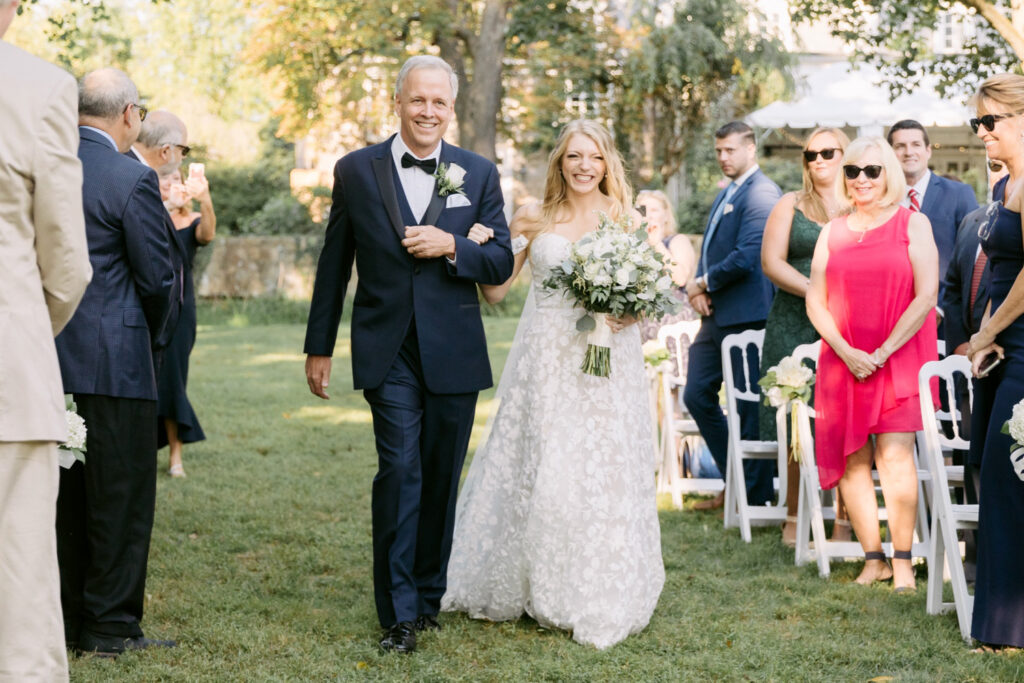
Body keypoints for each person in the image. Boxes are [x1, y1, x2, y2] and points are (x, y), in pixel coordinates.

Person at [303, 55, 514, 654]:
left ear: (451, 108)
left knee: (441, 476)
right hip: (386, 347)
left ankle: (426, 596)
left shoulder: (478, 172)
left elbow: (500, 261)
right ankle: (397, 612)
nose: (428, 111)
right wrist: (319, 346)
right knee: (400, 471)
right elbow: (333, 264)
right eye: (417, 100)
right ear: (397, 102)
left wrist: (453, 245)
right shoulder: (355, 170)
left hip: (453, 348)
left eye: (439, 103)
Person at [441, 119, 664, 650]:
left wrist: (627, 314)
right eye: (573, 157)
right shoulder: (532, 215)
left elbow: (646, 300)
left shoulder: (624, 219)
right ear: (559, 164)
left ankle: (592, 588)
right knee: (545, 462)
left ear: (608, 163)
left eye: (594, 157)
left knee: (601, 465)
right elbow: (496, 292)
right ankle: (530, 580)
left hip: (605, 358)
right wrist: (473, 246)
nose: (585, 167)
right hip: (545, 359)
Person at [54, 67, 178, 656]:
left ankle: (66, 619)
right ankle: (110, 630)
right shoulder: (132, 179)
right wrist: (149, 340)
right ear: (129, 113)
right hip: (119, 364)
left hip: (48, 362)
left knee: (64, 503)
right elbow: (158, 279)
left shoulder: (43, 168)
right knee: (122, 500)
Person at [0, 1, 92, 677]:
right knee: (19, 602)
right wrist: (27, 330)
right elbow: (66, 264)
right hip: (7, 372)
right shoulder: (39, 88)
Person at [806, 136, 938, 592]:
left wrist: (881, 354)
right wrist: (847, 351)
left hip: (897, 360)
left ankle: (903, 562)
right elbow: (814, 300)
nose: (861, 179)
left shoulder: (913, 224)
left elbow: (926, 296)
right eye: (853, 171)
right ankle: (873, 558)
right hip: (844, 360)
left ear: (890, 174)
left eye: (872, 170)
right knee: (852, 462)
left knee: (895, 456)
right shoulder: (832, 231)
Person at [683, 121, 782, 510]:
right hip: (717, 315)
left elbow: (748, 255)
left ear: (750, 149)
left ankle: (753, 496)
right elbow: (711, 248)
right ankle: (735, 480)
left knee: (747, 406)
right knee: (696, 394)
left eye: (731, 150)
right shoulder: (731, 191)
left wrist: (703, 283)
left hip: (747, 316)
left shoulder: (761, 193)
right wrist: (699, 286)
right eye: (719, 151)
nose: (723, 157)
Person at [759, 127, 850, 547]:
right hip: (793, 322)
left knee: (844, 420)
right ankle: (795, 515)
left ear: (845, 156)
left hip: (848, 324)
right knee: (798, 419)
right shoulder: (789, 204)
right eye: (811, 154)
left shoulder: (861, 205)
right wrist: (815, 293)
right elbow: (772, 262)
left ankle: (844, 521)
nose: (818, 160)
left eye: (828, 152)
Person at [964, 73, 1024, 650]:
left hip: (1021, 343)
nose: (982, 132)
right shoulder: (1008, 185)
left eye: (990, 121)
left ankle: (1007, 629)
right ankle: (1005, 625)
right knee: (998, 477)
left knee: (1010, 478)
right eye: (976, 122)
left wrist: (989, 330)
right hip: (1007, 346)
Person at [157, 168, 216, 477]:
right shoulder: (149, 212)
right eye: (165, 179)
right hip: (146, 306)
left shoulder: (191, 219)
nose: (171, 183)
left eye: (177, 179)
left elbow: (207, 235)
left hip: (180, 308)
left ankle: (175, 456)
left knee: (173, 378)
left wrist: (205, 199)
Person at [887, 119, 977, 310]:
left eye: (916, 145)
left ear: (928, 150)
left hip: (944, 314)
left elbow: (971, 259)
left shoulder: (959, 194)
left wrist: (941, 308)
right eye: (900, 146)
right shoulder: (881, 199)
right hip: (891, 311)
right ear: (889, 154)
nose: (909, 152)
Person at [636, 189, 698, 344]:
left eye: (654, 210)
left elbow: (680, 279)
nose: (648, 215)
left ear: (665, 215)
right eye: (643, 210)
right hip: (642, 328)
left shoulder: (676, 241)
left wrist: (656, 243)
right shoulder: (633, 248)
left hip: (674, 328)